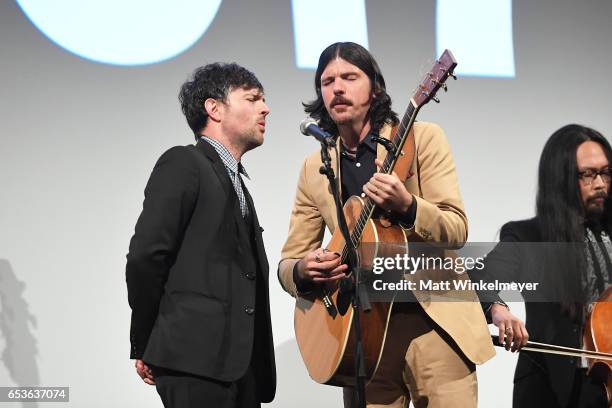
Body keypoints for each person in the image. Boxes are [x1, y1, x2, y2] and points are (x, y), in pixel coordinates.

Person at [278, 41, 494, 408]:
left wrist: (409, 206)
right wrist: (302, 270)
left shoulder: (421, 139)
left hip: (432, 322)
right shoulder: (314, 168)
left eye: (350, 77)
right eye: (327, 81)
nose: (338, 88)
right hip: (364, 334)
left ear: (374, 88)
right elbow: (289, 261)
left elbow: (456, 229)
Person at [125, 63, 275, 408]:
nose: (265, 108)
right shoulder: (184, 163)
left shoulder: (237, 183)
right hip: (194, 364)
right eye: (252, 99)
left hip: (241, 368)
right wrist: (147, 340)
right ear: (215, 108)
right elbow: (146, 256)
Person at [480, 124, 611, 407]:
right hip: (553, 390)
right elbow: (483, 278)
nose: (600, 184)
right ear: (560, 178)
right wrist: (498, 309)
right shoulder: (528, 237)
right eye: (588, 174)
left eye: (606, 172)